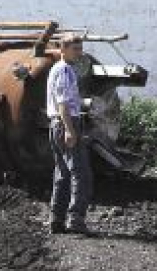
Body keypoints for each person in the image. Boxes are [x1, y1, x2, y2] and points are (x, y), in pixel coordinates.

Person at [46, 33, 95, 235]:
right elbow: (63, 103)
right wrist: (69, 129)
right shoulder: (65, 70)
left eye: (80, 49)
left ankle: (56, 220)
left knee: (62, 174)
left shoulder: (55, 69)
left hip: (55, 124)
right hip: (65, 123)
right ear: (62, 49)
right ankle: (76, 220)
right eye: (75, 49)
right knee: (81, 173)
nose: (79, 53)